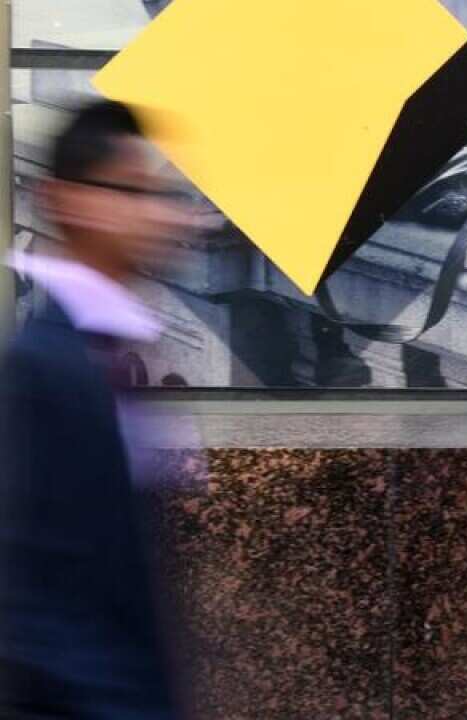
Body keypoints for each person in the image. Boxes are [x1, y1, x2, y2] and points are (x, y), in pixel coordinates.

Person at [0, 100, 195, 718]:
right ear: (68, 198)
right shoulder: (38, 370)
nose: (158, 215)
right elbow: (32, 610)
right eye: (132, 192)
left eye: (161, 195)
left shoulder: (114, 354)